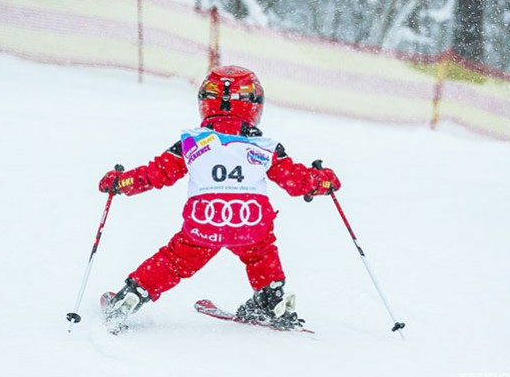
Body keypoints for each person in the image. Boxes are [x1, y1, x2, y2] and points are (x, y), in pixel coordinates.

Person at [98, 65, 340, 334]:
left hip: (204, 224)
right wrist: (323, 180)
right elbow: (298, 182)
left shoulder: (191, 143)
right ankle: (271, 301)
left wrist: (121, 182)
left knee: (174, 261)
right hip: (250, 223)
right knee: (261, 253)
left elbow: (155, 175)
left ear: (205, 103)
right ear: (255, 105)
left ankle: (134, 294)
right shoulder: (266, 147)